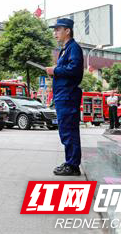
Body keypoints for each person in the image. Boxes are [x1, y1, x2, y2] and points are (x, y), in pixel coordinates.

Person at [46, 18, 84, 176]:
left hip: (68, 95)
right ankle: (70, 162)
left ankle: (73, 165)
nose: (55, 33)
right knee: (65, 129)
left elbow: (74, 69)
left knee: (69, 130)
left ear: (67, 30)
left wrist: (55, 70)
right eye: (54, 30)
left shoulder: (73, 48)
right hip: (63, 95)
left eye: (58, 29)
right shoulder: (66, 49)